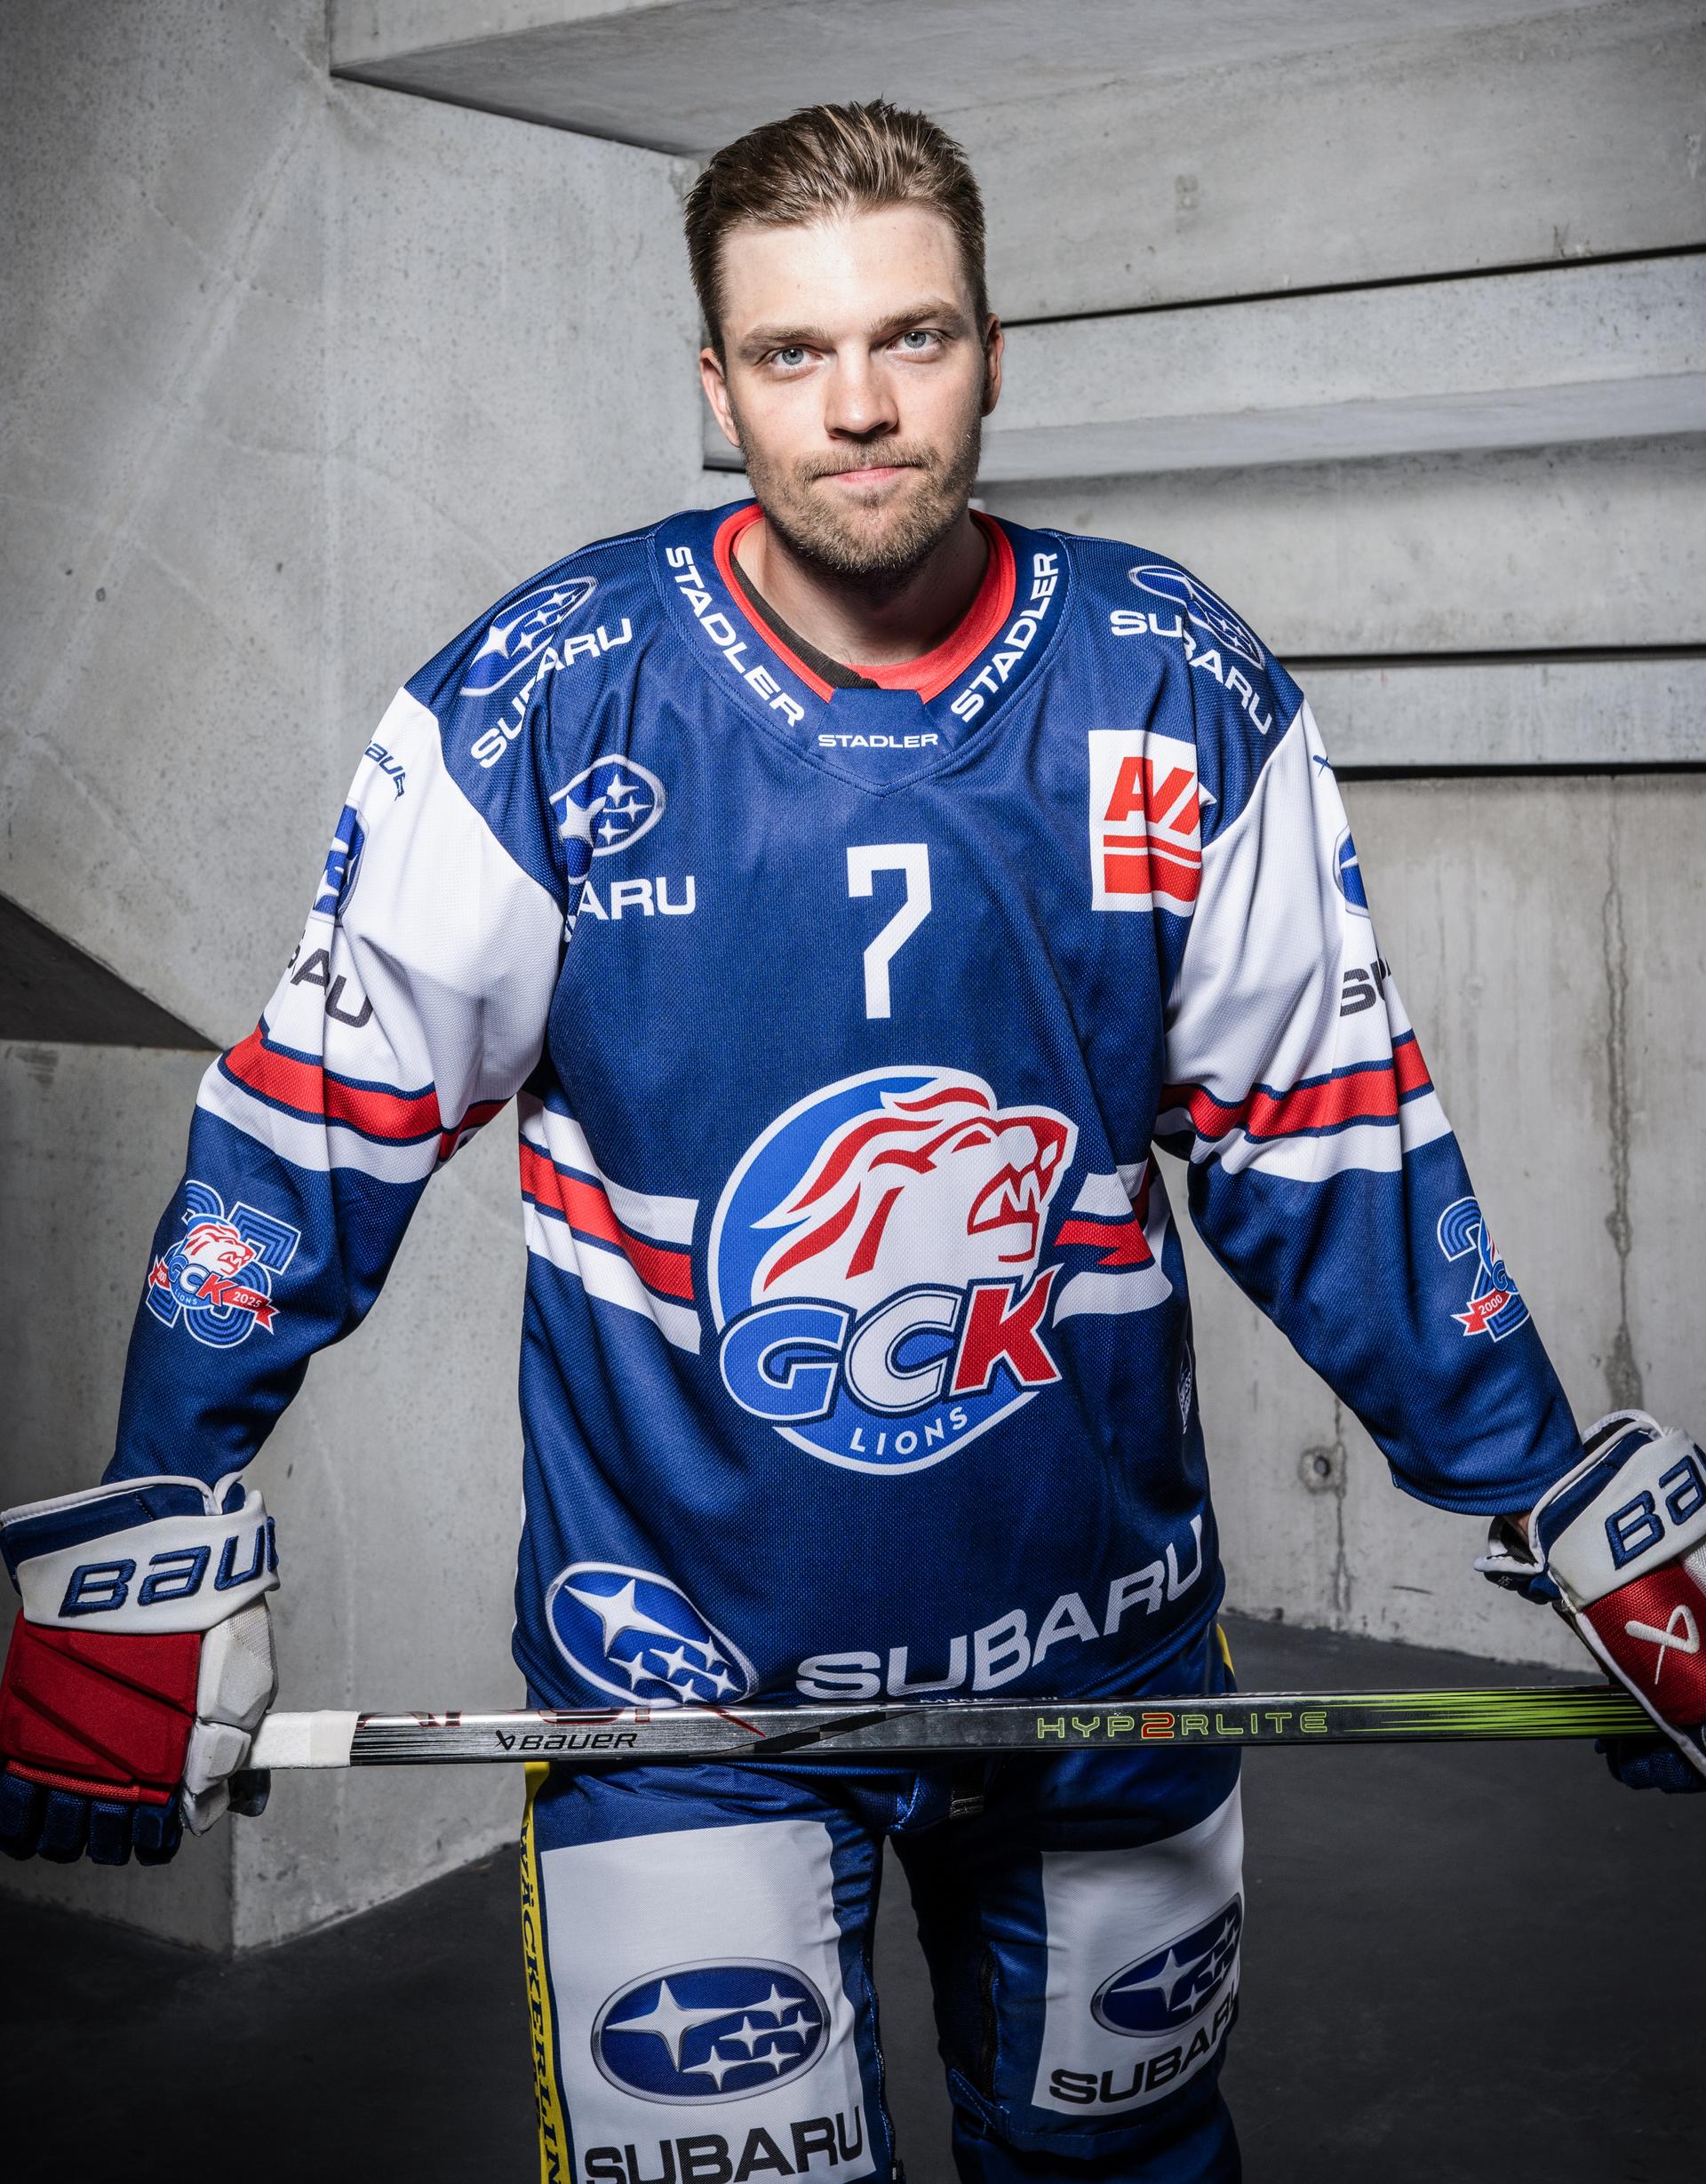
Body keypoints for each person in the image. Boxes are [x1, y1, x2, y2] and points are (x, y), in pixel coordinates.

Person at [3, 100, 1702, 2184]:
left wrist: (1566, 1498)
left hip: (1104, 1662)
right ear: (717, 392)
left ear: (993, 351)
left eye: (913, 336)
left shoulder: (1176, 681)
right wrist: (153, 1511)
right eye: (793, 352)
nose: (864, 403)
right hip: (684, 1691)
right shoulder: (538, 702)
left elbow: (1332, 1152)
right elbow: (306, 1145)